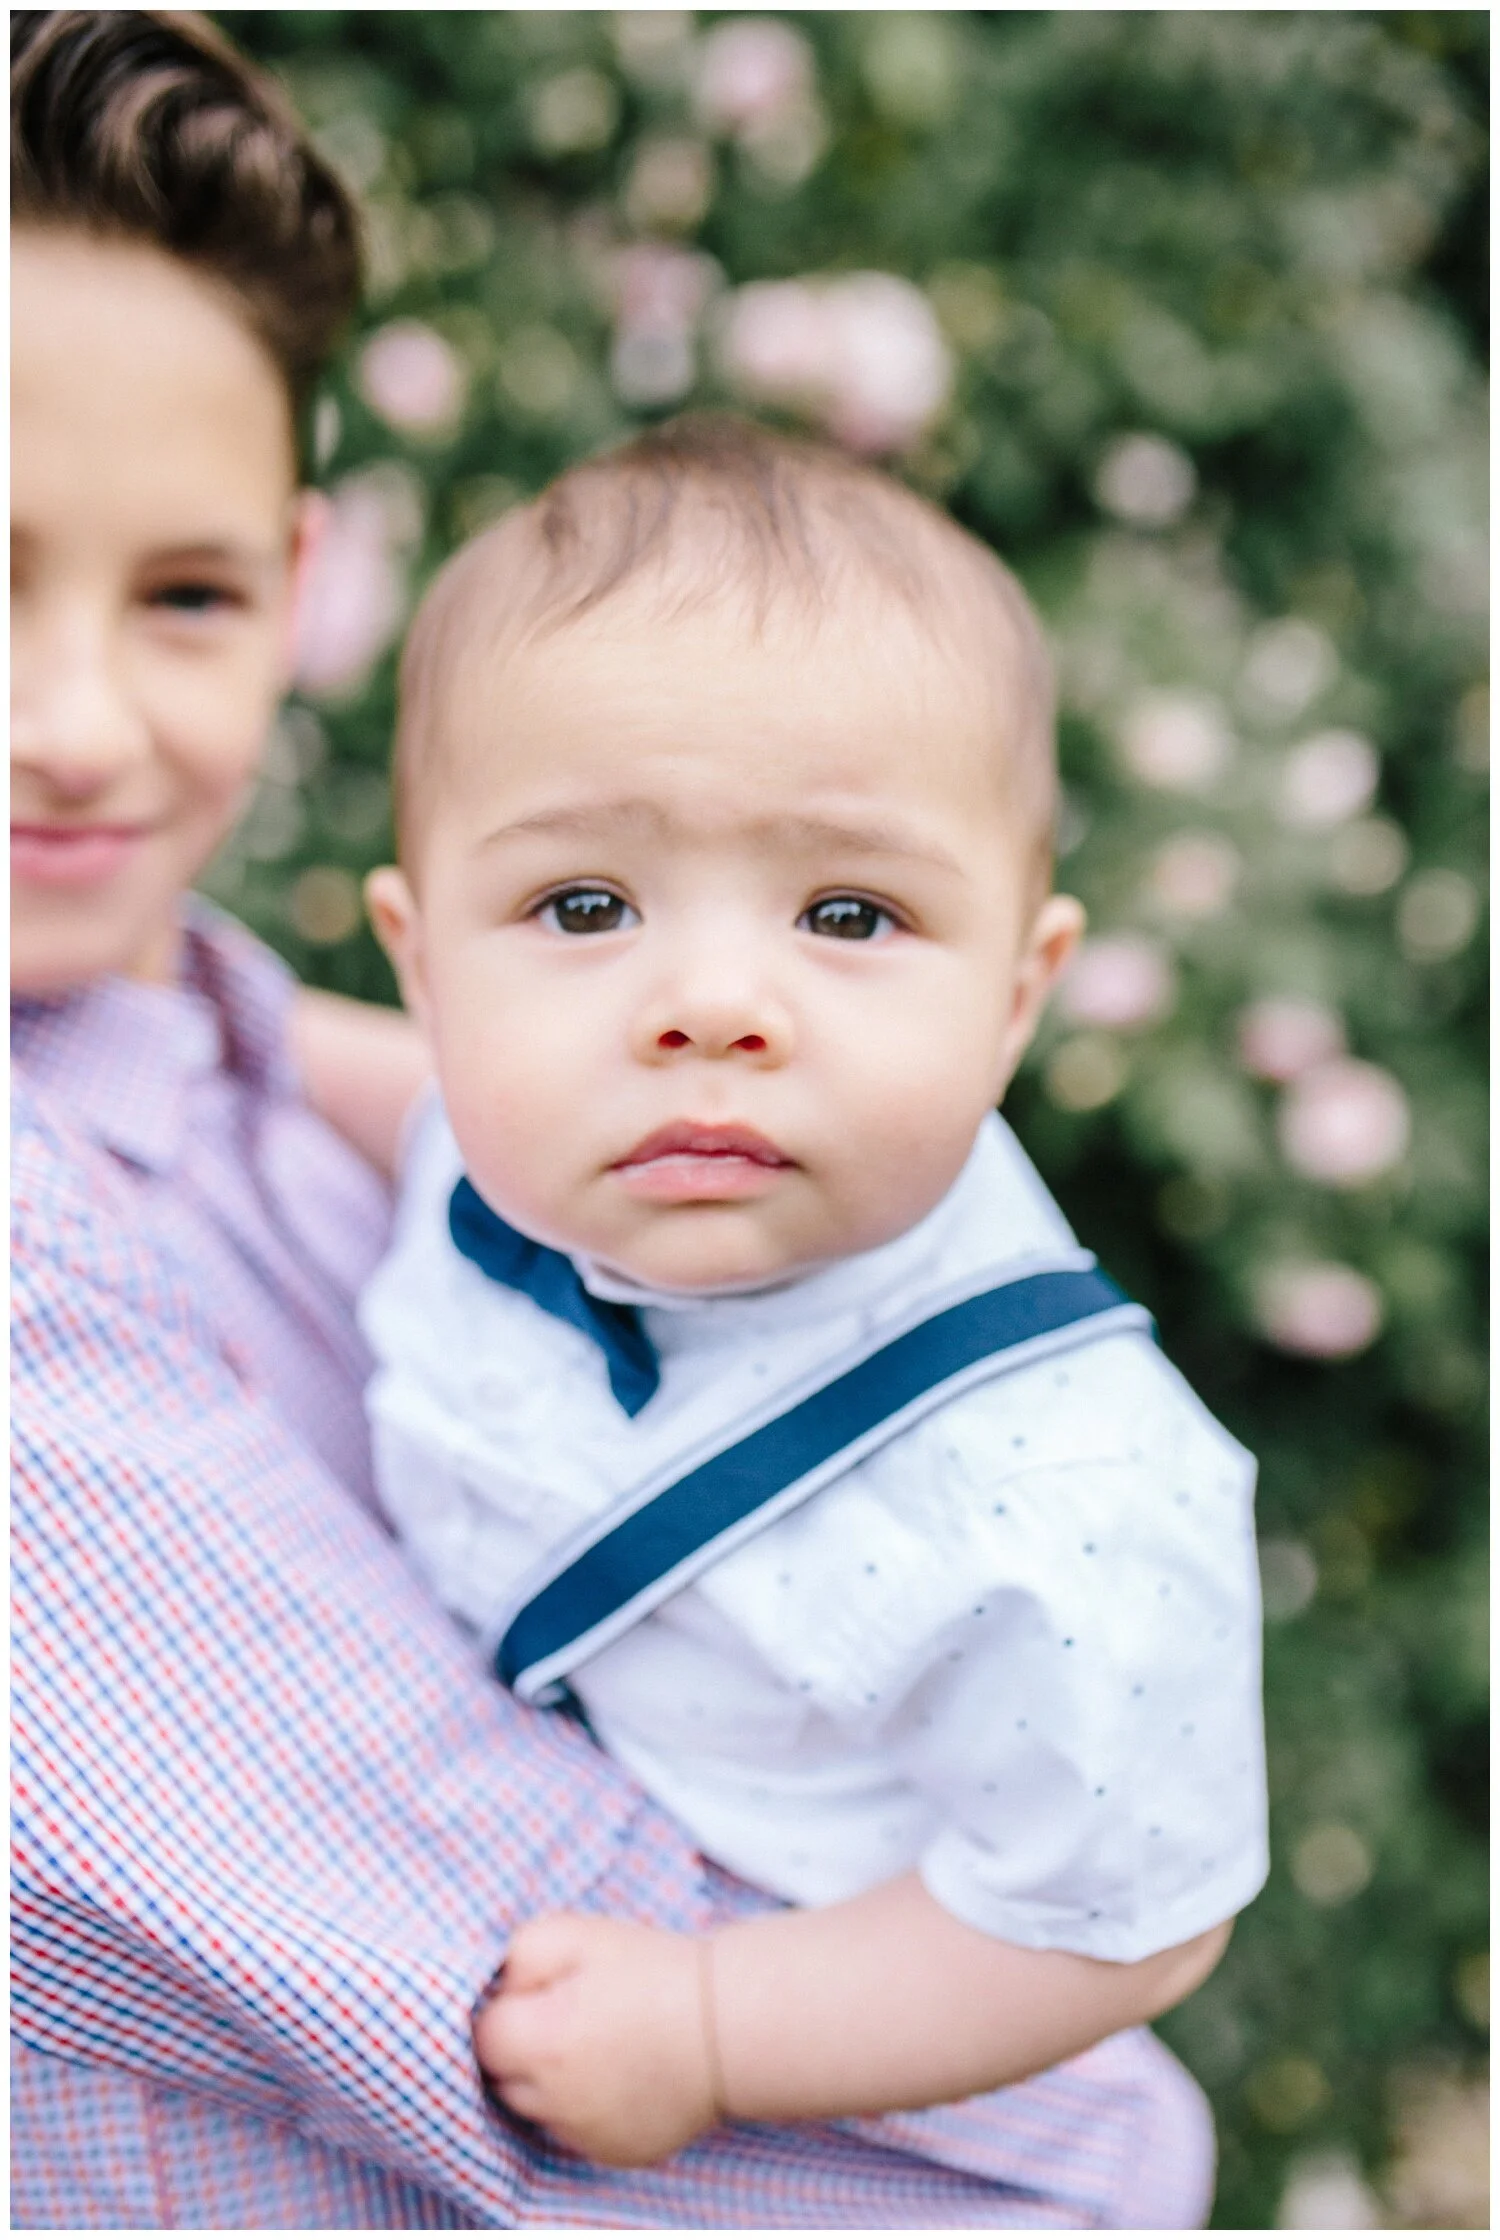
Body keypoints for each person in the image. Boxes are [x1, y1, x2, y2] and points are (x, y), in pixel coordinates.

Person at [11, 11, 1221, 2226]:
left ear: (293, 575)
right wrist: (739, 2028)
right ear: (430, 929)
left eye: (181, 595)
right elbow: (610, 2073)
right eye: (585, 905)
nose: (75, 726)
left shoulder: (221, 1033)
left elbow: (1106, 1893)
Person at [358, 417, 1270, 2172]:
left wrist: (715, 2029)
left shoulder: (1058, 1513)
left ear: (1018, 992)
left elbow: (1124, 1918)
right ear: (421, 964)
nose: (709, 1002)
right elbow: (373, 1094)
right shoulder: (502, 1142)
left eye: (847, 915)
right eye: (584, 901)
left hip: (872, 2107)